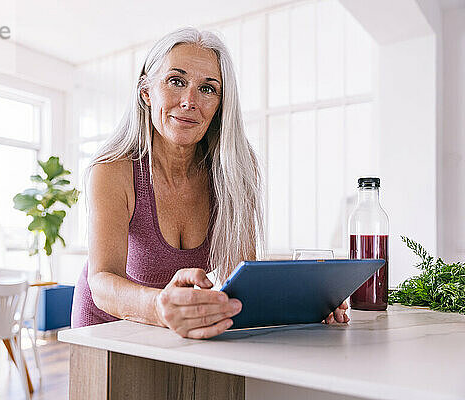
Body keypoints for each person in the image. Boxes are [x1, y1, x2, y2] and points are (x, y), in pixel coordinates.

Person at [71, 27, 349, 338]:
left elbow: (241, 280)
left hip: (174, 329)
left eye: (207, 89)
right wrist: (161, 306)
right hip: (107, 327)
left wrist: (306, 303)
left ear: (220, 104)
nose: (189, 101)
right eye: (176, 81)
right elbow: (102, 281)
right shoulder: (113, 169)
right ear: (147, 92)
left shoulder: (236, 171)